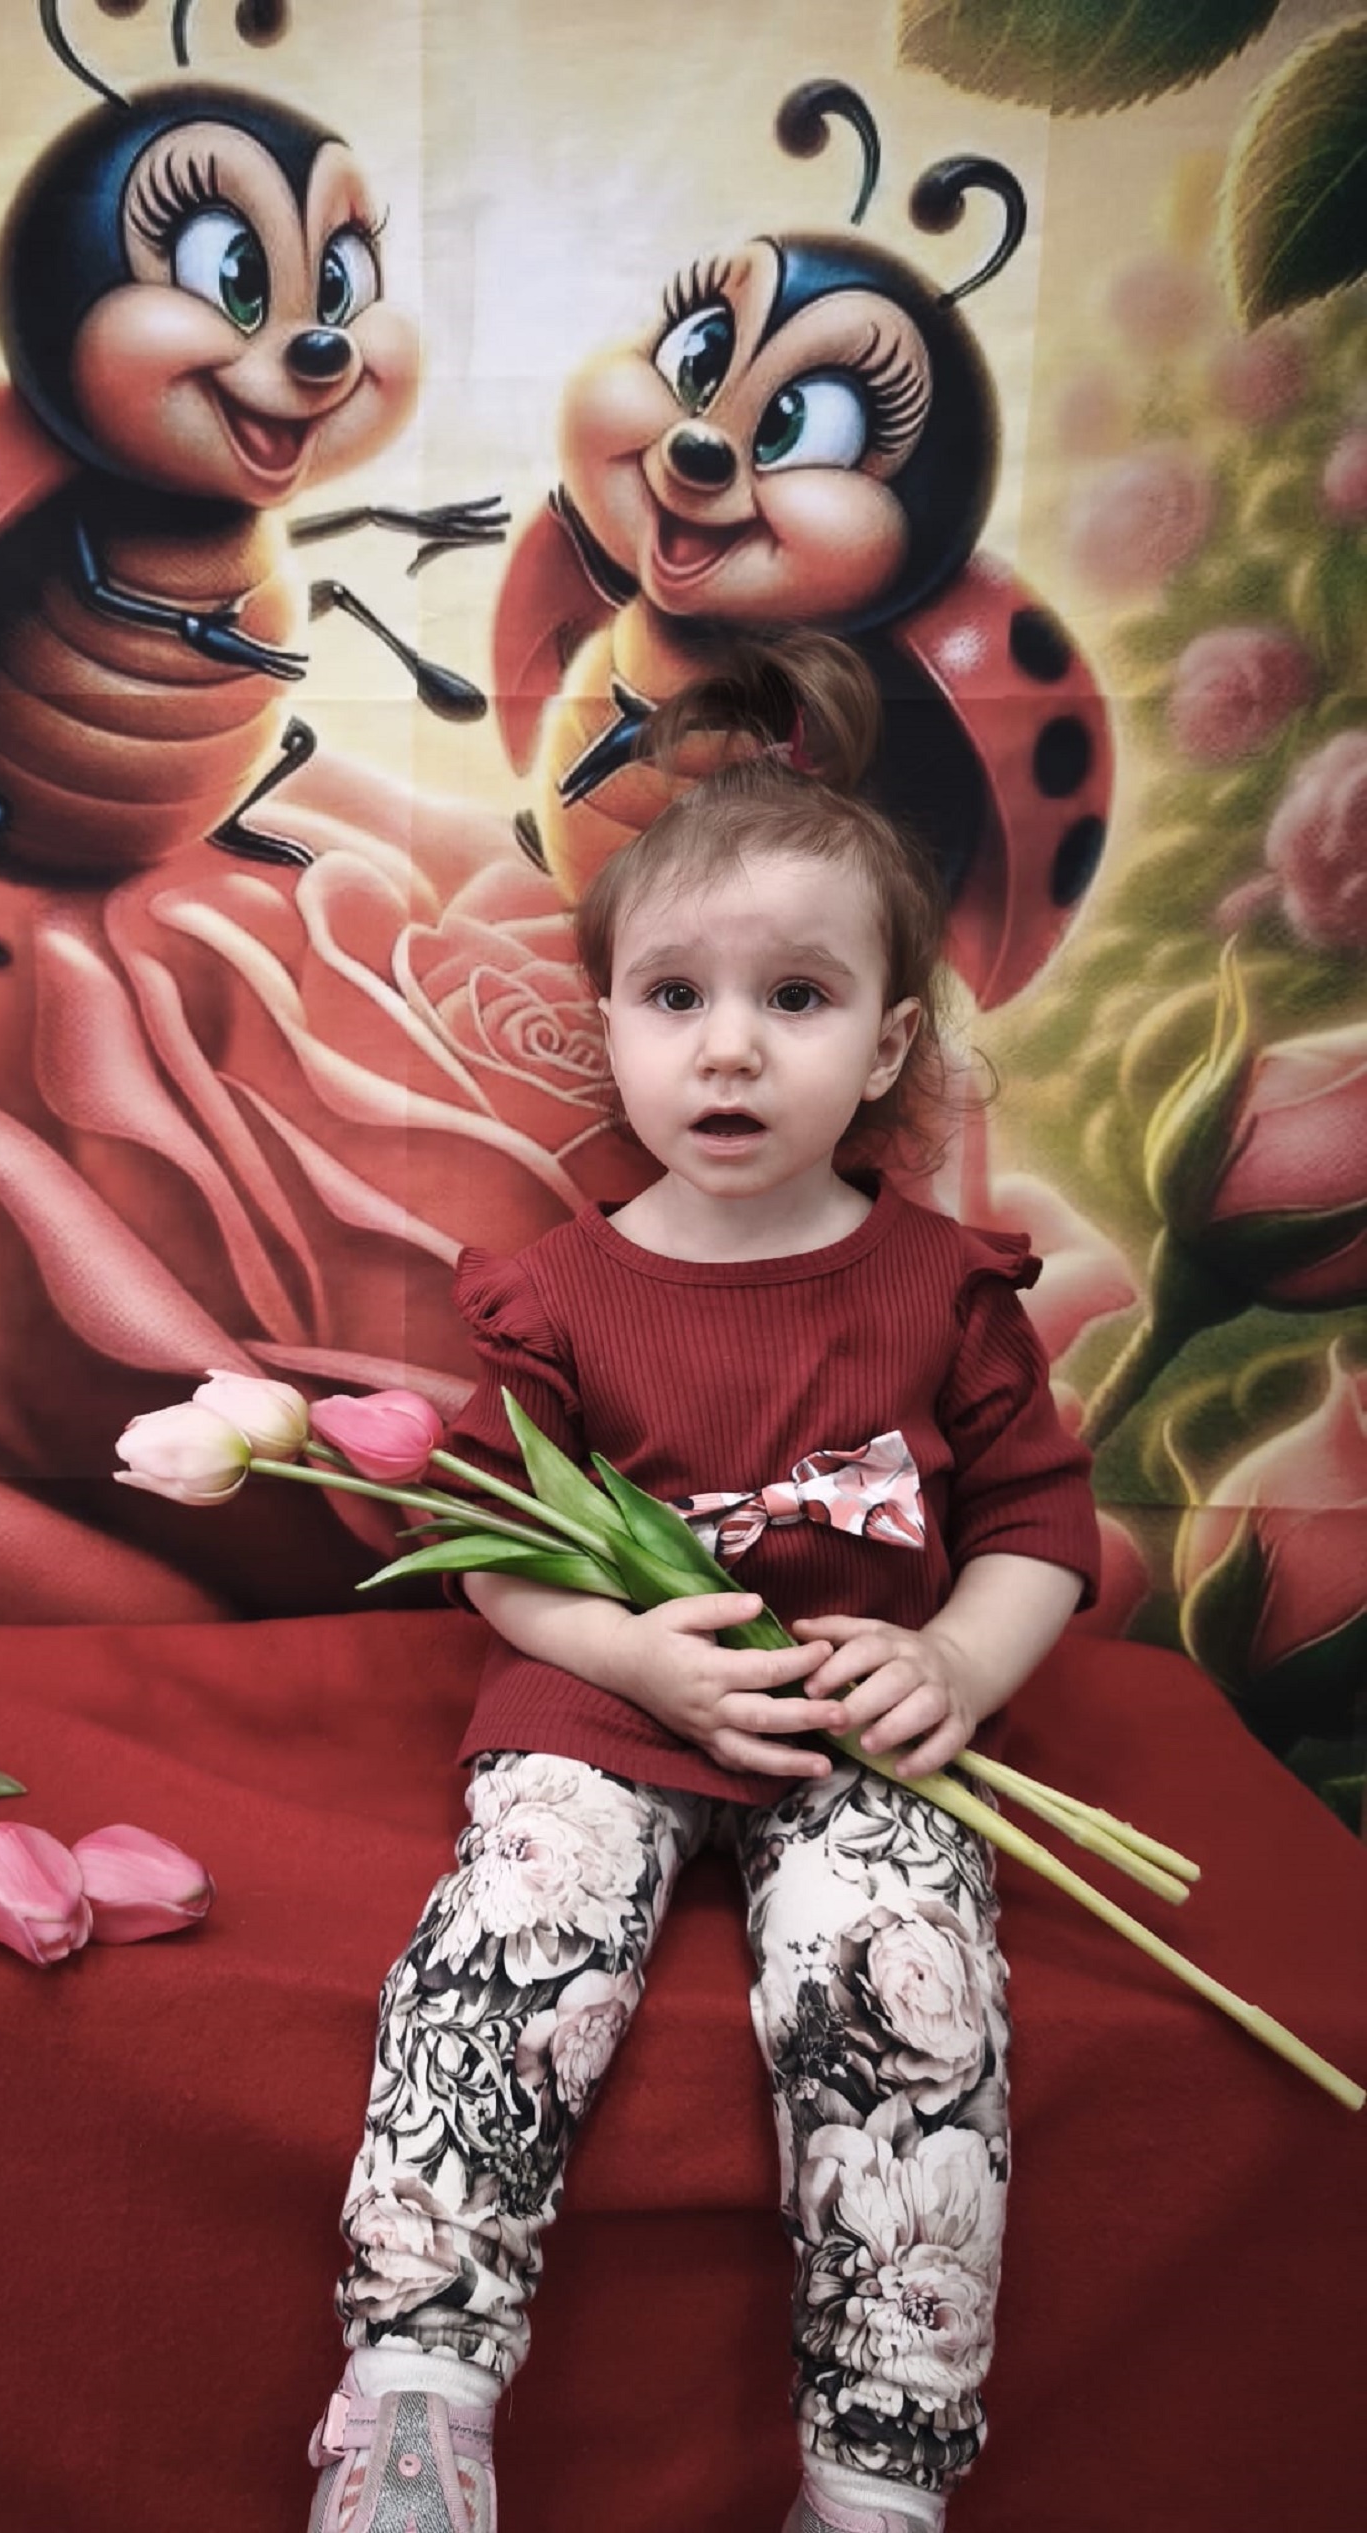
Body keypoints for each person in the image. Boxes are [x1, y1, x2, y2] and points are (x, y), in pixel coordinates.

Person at [303, 633, 1101, 2533]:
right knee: (506, 1943)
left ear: (888, 1043)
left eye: (796, 996)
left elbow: (1039, 1522)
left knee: (909, 1992)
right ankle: (415, 2395)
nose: (728, 1047)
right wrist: (625, 1655)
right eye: (677, 995)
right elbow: (495, 1546)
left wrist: (959, 1663)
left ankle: (879, 2465)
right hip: (609, 1698)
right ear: (611, 1023)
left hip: (857, 1715)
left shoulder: (941, 1289)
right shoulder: (556, 1294)